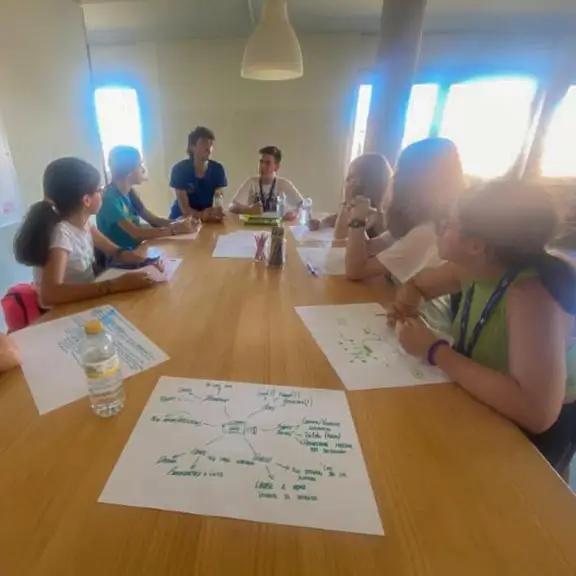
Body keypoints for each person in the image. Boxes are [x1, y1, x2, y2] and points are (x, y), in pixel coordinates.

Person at [392, 180, 576, 479]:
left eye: (448, 223)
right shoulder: (471, 268)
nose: (439, 228)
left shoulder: (530, 296)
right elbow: (416, 286)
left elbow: (537, 413)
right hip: (486, 398)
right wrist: (407, 305)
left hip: (534, 433)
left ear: (476, 245)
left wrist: (434, 349)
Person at [14, 157, 162, 308]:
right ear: (86, 200)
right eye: (99, 189)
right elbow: (49, 294)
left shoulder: (85, 225)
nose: (103, 193)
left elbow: (116, 252)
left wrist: (146, 261)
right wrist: (114, 285)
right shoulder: (60, 234)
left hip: (84, 302)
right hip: (62, 313)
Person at [345, 138, 465, 284]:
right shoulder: (414, 221)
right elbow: (366, 248)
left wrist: (357, 220)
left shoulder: (427, 232)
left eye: (399, 172)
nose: (393, 179)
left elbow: (356, 270)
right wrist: (358, 215)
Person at [97, 146, 195, 250]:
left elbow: (153, 220)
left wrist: (179, 223)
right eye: (139, 165)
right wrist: (174, 230)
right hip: (118, 260)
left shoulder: (130, 193)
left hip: (135, 251)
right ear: (128, 171)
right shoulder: (109, 200)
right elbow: (136, 233)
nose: (143, 169)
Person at [308, 153, 391, 240]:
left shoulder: (375, 215)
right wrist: (321, 223)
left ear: (367, 182)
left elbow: (340, 235)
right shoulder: (358, 205)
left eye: (351, 176)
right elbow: (336, 218)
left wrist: (347, 201)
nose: (346, 179)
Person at [169, 126, 227, 223]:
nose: (209, 148)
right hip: (180, 220)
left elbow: (218, 199)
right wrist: (201, 215)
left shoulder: (218, 169)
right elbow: (185, 210)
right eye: (204, 143)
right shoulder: (179, 170)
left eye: (211, 144)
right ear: (192, 147)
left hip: (206, 219)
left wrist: (217, 211)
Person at [229, 146, 303, 220]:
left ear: (276, 167)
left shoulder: (284, 184)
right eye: (261, 162)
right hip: (254, 227)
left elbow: (303, 205)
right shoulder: (251, 182)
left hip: (278, 227)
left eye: (267, 163)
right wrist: (248, 209)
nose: (262, 166)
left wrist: (296, 213)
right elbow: (232, 206)